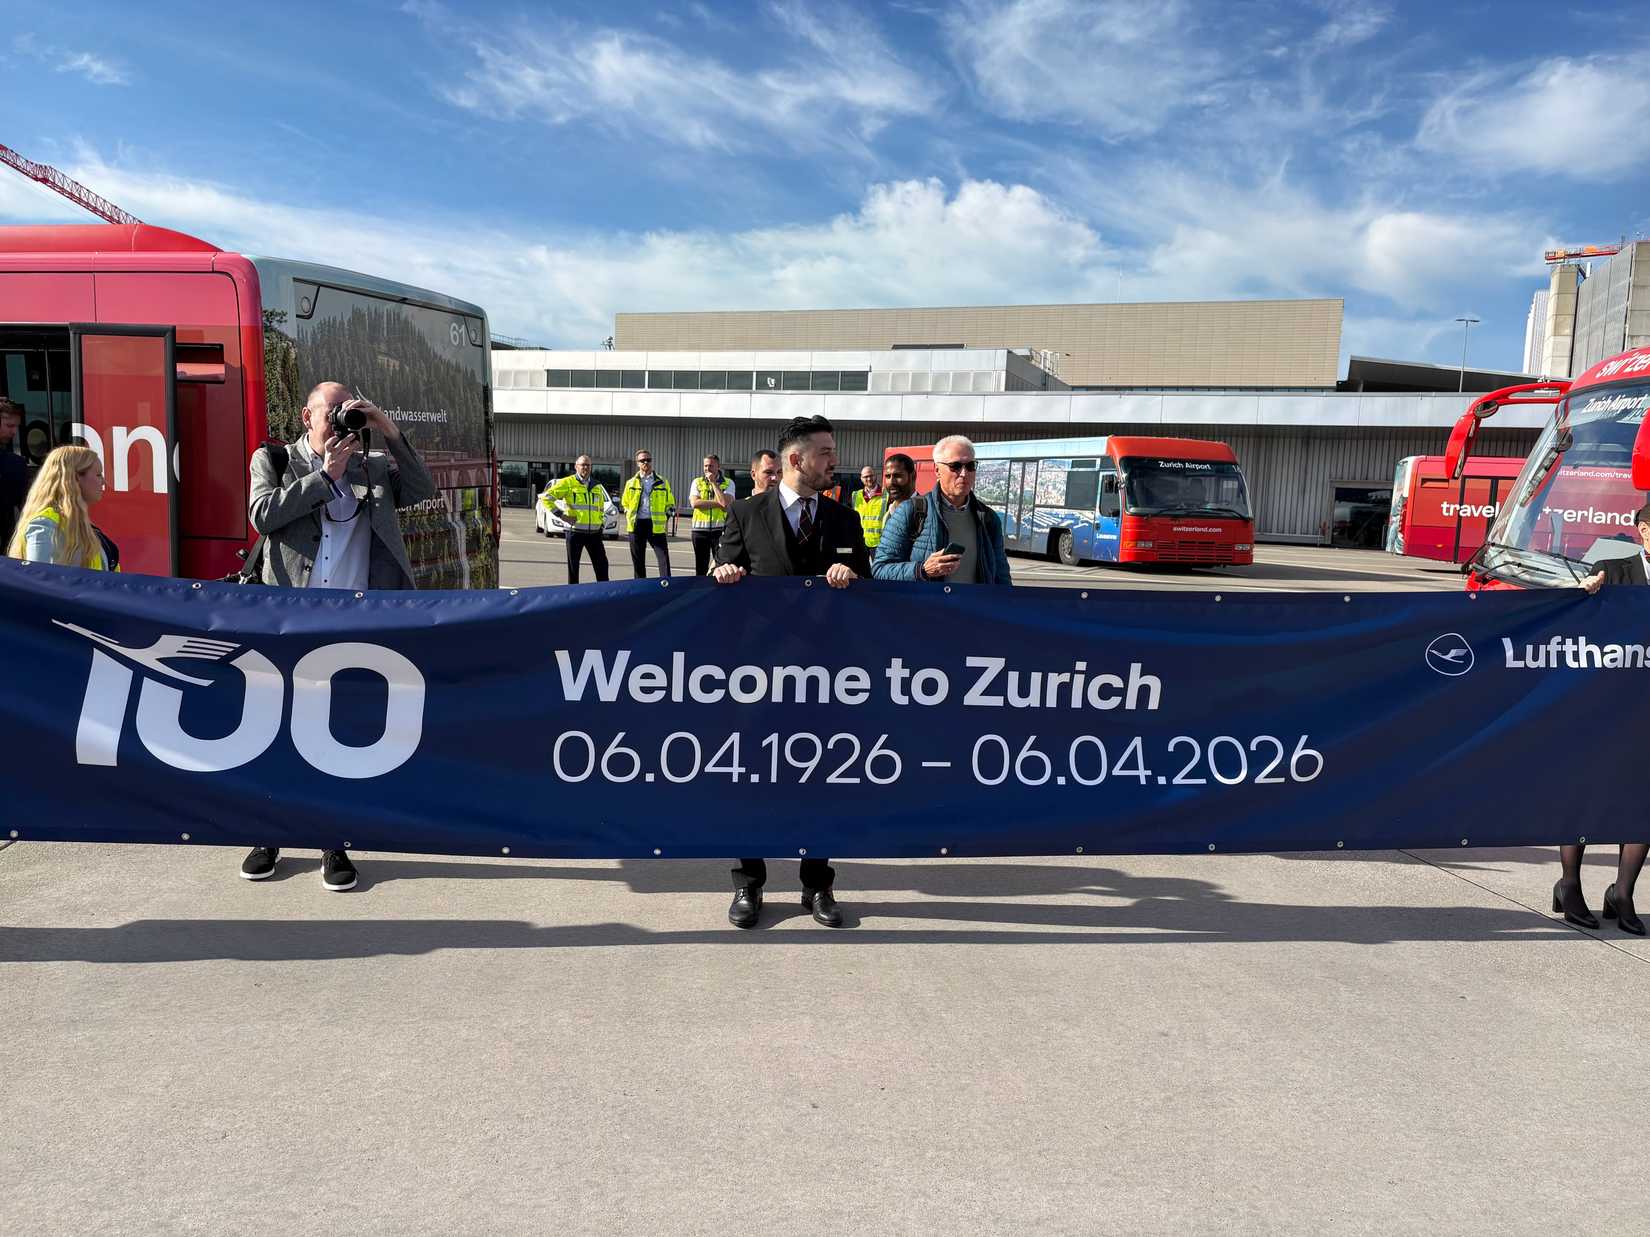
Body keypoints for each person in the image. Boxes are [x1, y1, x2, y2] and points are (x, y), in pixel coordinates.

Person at [238, 381, 436, 892]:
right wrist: (324, 477)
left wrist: (385, 428)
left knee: (334, 735)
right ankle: (268, 833)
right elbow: (262, 514)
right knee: (275, 732)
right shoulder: (276, 460)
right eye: (333, 412)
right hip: (286, 622)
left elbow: (421, 489)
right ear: (306, 416)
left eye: (349, 412)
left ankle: (333, 840)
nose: (341, 422)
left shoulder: (370, 466)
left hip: (352, 624)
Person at [712, 415, 871, 929]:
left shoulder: (844, 521)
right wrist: (722, 572)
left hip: (828, 679)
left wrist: (853, 577)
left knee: (823, 778)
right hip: (758, 678)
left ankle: (817, 885)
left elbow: (869, 593)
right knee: (751, 777)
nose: (835, 461)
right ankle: (749, 883)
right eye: (825, 452)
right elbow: (718, 579)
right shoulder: (744, 512)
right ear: (796, 460)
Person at [1560, 504, 1650, 932]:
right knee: (1588, 795)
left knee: (1642, 800)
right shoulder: (1611, 570)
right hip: (1605, 706)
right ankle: (1570, 884)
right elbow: (1580, 625)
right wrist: (1583, 592)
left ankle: (1622, 893)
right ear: (1643, 530)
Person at [872, 435, 1012, 586]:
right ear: (937, 470)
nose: (964, 473)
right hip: (926, 608)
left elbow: (1001, 576)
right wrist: (922, 570)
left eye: (970, 466)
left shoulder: (988, 518)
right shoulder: (910, 511)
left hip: (974, 608)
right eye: (955, 466)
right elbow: (880, 569)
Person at [5, 445, 117, 570]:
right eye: (98, 475)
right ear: (75, 478)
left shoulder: (83, 525)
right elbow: (39, 582)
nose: (103, 481)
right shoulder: (45, 525)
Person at [546, 455, 614, 583]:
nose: (585, 468)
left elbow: (600, 508)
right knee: (573, 568)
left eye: (588, 465)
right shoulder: (567, 482)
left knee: (602, 566)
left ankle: (605, 594)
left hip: (594, 534)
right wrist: (562, 516)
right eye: (582, 465)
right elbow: (546, 498)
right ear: (576, 466)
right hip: (575, 532)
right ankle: (573, 596)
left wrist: (601, 523)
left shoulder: (597, 485)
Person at [620, 448, 675, 578]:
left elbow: (670, 504)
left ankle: (666, 585)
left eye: (648, 460)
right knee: (638, 560)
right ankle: (640, 587)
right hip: (636, 525)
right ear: (637, 463)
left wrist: (666, 517)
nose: (646, 462)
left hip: (655, 525)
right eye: (642, 460)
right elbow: (625, 502)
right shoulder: (630, 483)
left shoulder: (662, 482)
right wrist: (629, 514)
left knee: (663, 558)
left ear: (652, 462)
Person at [688, 453, 736, 576]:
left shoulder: (728, 483)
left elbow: (726, 504)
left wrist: (714, 483)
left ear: (718, 467)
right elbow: (695, 503)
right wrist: (718, 502)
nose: (707, 469)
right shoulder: (697, 482)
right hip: (699, 531)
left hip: (720, 530)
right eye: (705, 466)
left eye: (711, 466)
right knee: (700, 567)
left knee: (721, 565)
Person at [0, 398, 28, 552]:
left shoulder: (15, 463)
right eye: (9, 425)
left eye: (16, 426)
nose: (14, 432)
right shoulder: (15, 464)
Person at [851, 463, 887, 550]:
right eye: (866, 477)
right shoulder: (855, 495)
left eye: (871, 476)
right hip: (860, 541)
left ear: (876, 476)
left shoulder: (886, 495)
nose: (869, 479)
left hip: (879, 543)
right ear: (861, 478)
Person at [882, 452, 916, 517]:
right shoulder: (889, 512)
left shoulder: (926, 512)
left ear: (913, 476)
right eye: (888, 476)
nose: (891, 482)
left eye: (897, 476)